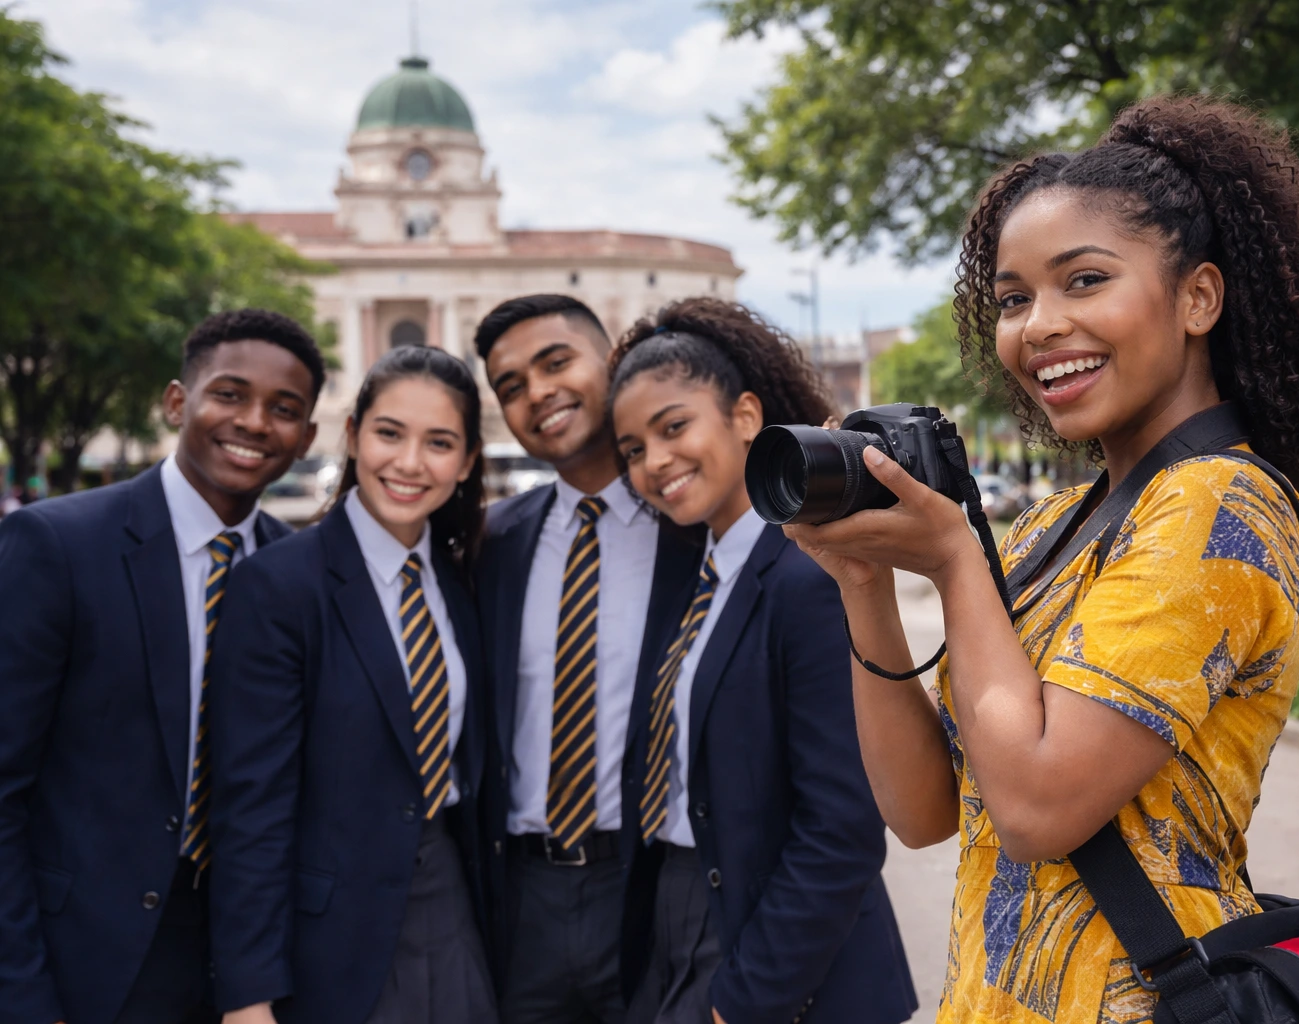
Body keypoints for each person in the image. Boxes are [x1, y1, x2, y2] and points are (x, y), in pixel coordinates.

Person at [785, 96, 1299, 1022]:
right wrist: (863, 584)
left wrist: (954, 561)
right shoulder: (1052, 526)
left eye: (1084, 281)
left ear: (1199, 297)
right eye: (1014, 298)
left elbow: (1036, 809)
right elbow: (922, 813)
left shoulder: (1217, 505)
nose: (1038, 325)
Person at [0, 309, 325, 1024]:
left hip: (252, 958)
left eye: (284, 410)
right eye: (230, 394)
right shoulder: (56, 546)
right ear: (178, 401)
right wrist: (24, 999)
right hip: (86, 958)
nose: (253, 422)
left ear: (307, 439)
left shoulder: (299, 571)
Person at [609, 298, 918, 1024]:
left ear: (745, 417)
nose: (655, 462)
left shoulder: (810, 573)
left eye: (674, 426)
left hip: (788, 965)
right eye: (632, 449)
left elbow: (842, 825)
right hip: (692, 919)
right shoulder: (696, 575)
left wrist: (747, 1001)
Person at [208, 345, 498, 1024]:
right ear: (353, 436)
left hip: (450, 907)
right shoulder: (280, 585)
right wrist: (247, 995)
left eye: (440, 443)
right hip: (328, 936)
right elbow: (250, 805)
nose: (409, 463)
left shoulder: (460, 586)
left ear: (467, 463)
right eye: (389, 433)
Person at [472, 294, 702, 1024]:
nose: (536, 392)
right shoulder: (489, 543)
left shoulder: (700, 534)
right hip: (521, 900)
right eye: (510, 386)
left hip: (651, 886)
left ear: (611, 363)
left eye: (554, 362)